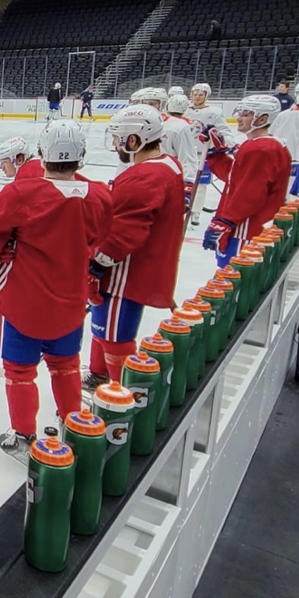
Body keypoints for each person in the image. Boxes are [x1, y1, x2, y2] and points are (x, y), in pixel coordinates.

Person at [0, 120, 111, 461]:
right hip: (70, 301)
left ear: (40, 155)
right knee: (66, 364)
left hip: (25, 302)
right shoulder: (97, 195)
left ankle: (24, 436)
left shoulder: (22, 194)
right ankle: (75, 427)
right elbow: (98, 234)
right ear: (81, 157)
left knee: (20, 371)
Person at [85, 105, 185, 387]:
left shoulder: (145, 176)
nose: (116, 144)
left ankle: (121, 392)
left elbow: (125, 231)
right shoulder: (166, 164)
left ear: (134, 139)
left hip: (125, 273)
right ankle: (99, 374)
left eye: (119, 138)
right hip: (140, 266)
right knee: (103, 324)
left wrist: (97, 264)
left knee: (115, 335)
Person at [203, 95, 293, 267]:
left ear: (262, 118)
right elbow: (235, 178)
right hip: (250, 225)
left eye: (246, 114)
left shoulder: (260, 148)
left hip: (247, 228)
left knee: (235, 273)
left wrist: (225, 221)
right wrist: (217, 154)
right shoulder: (261, 144)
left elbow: (250, 193)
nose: (238, 117)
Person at [185, 83, 229, 225]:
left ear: (206, 96)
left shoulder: (214, 112)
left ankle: (196, 212)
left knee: (201, 185)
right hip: (185, 153)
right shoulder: (185, 111)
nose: (197, 97)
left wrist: (224, 142)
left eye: (200, 94)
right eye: (195, 94)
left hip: (203, 154)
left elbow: (223, 131)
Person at [162, 92, 201, 215]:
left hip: (170, 173)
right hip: (173, 171)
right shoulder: (189, 124)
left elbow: (188, 158)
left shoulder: (180, 126)